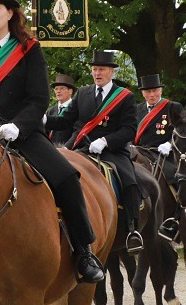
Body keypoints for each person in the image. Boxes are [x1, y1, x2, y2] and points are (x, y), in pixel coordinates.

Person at [0, 0, 105, 283]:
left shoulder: (28, 49)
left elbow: (38, 99)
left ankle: (84, 251)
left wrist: (17, 126)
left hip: (21, 132)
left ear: (10, 12)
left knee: (66, 178)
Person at [46, 49, 143, 254]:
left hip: (112, 151)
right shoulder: (84, 93)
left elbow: (129, 130)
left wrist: (106, 141)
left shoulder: (124, 97)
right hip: (82, 149)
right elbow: (66, 121)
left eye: (102, 69)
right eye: (94, 69)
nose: (97, 73)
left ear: (111, 72)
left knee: (129, 181)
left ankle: (133, 229)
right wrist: (45, 120)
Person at [133, 74, 185, 242]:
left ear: (161, 90)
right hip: (140, 151)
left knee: (174, 177)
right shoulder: (137, 109)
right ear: (142, 93)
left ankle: (177, 218)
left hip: (165, 153)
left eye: (155, 91)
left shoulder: (173, 107)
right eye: (148, 92)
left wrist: (170, 143)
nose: (152, 95)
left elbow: (183, 131)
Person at [46, 74, 77, 146]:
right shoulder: (51, 111)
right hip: (52, 150)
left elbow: (77, 130)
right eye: (56, 89)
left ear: (70, 91)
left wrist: (67, 147)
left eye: (62, 88)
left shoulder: (76, 109)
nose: (58, 91)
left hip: (70, 151)